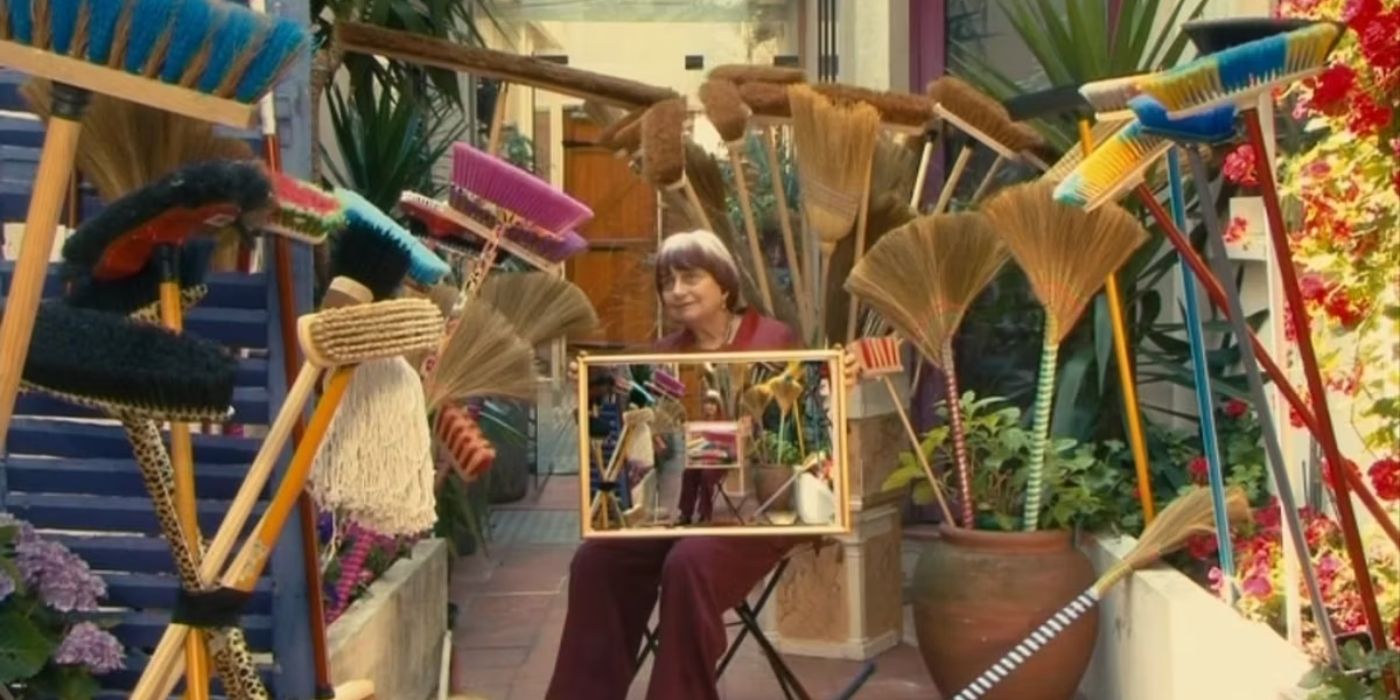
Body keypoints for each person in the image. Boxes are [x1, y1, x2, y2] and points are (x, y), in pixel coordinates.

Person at [548, 230, 859, 700]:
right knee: (596, 560)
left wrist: (833, 386)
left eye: (690, 277)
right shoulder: (662, 355)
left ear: (725, 285)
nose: (676, 290)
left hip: (758, 513)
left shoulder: (773, 340)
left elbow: (804, 433)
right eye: (666, 282)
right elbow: (631, 442)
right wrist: (595, 395)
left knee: (689, 562)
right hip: (678, 515)